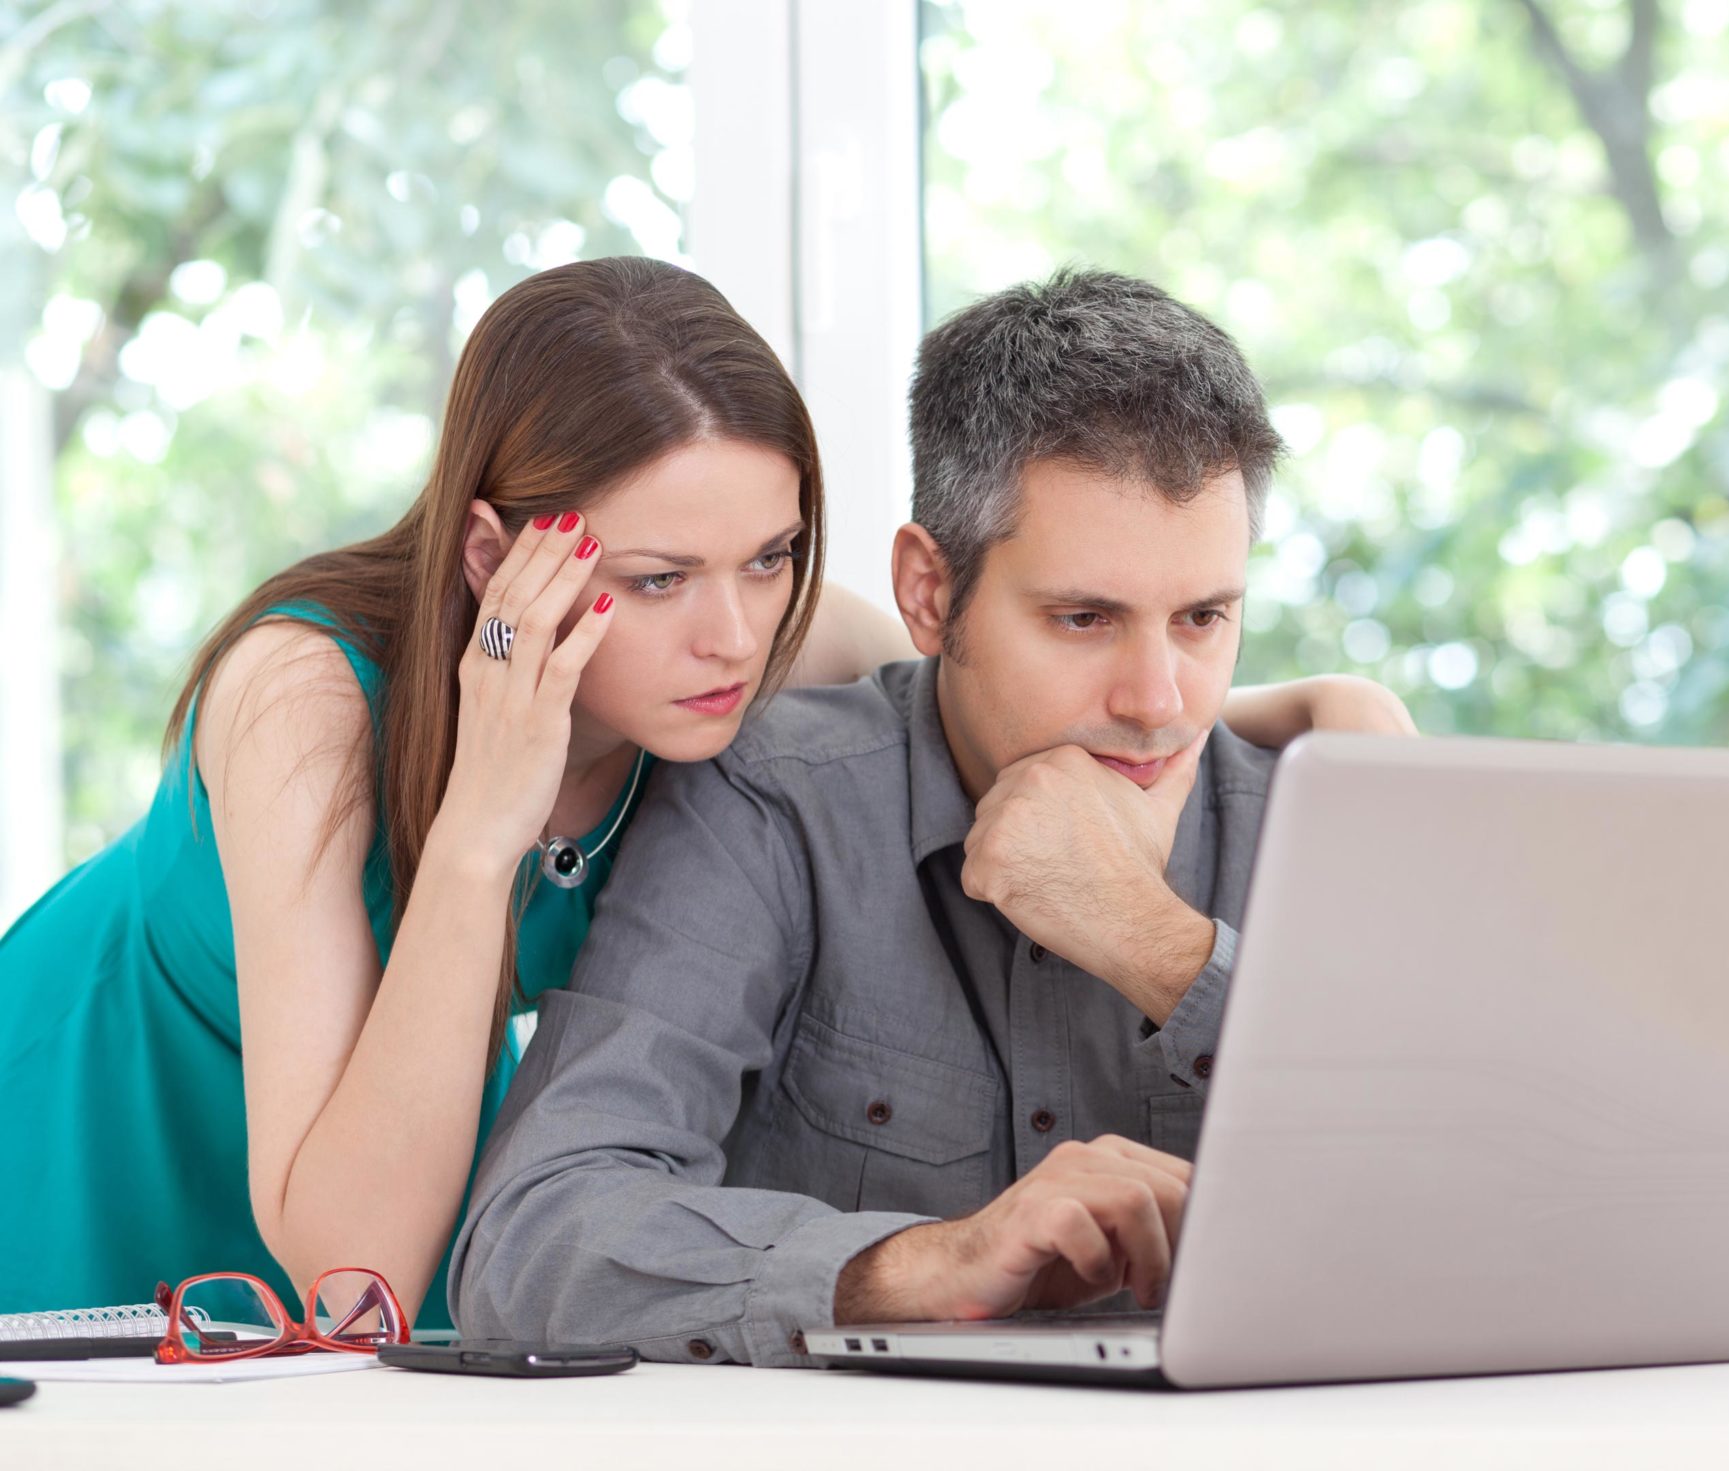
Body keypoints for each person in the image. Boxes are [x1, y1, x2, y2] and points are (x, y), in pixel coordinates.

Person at [0, 258, 1409, 1328]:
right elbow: (355, 1266)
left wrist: (1309, 716)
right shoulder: (302, 702)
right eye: (656, 579)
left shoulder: (774, 642)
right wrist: (487, 823)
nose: (735, 637)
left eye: (774, 554)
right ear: (497, 556)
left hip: (394, 1165)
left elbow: (1039, 673)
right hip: (105, 1106)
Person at [449, 267, 1363, 1364]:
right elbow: (531, 1239)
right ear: (928, 594)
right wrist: (917, 1265)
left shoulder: (1317, 830)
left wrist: (1159, 948)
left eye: (1204, 618)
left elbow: (1490, 1210)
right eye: (1082, 618)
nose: (1158, 702)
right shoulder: (771, 800)